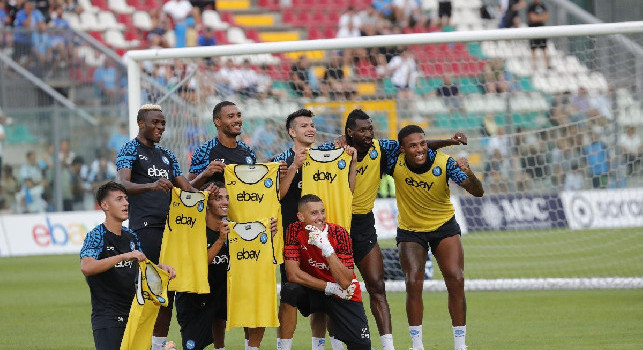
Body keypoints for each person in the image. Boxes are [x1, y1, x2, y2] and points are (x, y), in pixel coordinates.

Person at [332, 110, 467, 350]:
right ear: (349, 132)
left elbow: (413, 146)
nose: (368, 133)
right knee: (335, 289)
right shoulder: (334, 151)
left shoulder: (381, 148)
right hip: (336, 222)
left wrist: (449, 141)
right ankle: (330, 344)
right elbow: (411, 146)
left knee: (377, 285)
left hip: (364, 223)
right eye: (362, 130)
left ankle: (390, 346)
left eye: (370, 128)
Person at [187, 101, 285, 349]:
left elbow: (254, 190)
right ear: (217, 122)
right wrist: (206, 174)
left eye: (239, 115)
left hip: (246, 232)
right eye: (231, 116)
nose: (237, 119)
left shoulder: (247, 152)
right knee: (218, 297)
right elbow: (188, 189)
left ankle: (250, 347)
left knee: (248, 292)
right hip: (216, 232)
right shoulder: (205, 151)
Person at [390, 125, 483, 350]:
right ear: (402, 149)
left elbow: (477, 191)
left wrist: (469, 172)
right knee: (413, 282)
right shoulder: (393, 160)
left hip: (443, 227)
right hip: (411, 230)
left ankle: (460, 345)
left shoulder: (445, 163)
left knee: (456, 278)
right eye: (413, 146)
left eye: (423, 143)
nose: (420, 149)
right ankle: (417, 345)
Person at [115, 104, 200, 350]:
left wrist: (205, 189)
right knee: (148, 289)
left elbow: (187, 188)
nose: (160, 127)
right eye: (155, 122)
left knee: (167, 291)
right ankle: (136, 343)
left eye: (163, 123)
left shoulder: (167, 154)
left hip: (172, 229)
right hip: (146, 226)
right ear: (141, 123)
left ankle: (157, 345)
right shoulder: (130, 149)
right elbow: (121, 183)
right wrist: (151, 186)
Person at [80, 181, 176, 350]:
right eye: (119, 199)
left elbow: (142, 267)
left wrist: (160, 268)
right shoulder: (96, 235)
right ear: (105, 205)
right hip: (108, 317)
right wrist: (123, 256)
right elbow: (87, 267)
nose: (126, 203)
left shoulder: (130, 235)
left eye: (126, 198)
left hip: (134, 313)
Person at [280, 194, 371, 350]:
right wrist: (330, 287)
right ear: (300, 216)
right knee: (289, 290)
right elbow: (293, 275)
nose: (321, 217)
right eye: (314, 213)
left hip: (344, 292)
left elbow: (345, 282)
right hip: (317, 290)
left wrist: (327, 248)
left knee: (361, 347)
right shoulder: (293, 230)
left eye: (322, 212)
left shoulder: (340, 234)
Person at [527, 0, 550, 69]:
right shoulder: (531, 6)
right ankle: (534, 64)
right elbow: (532, 18)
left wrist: (537, 17)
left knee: (544, 47)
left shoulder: (543, 6)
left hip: (542, 30)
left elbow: (546, 16)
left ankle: (547, 65)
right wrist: (541, 17)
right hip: (532, 30)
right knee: (533, 48)